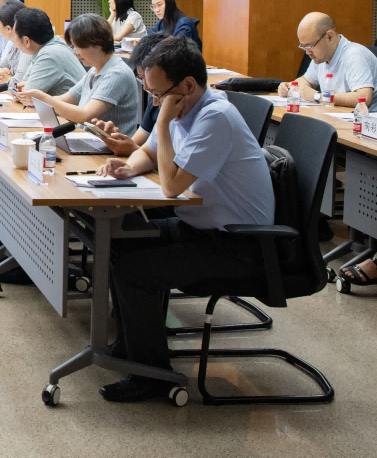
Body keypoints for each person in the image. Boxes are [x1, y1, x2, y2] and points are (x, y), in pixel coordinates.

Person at [97, 36, 274, 402]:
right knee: (120, 242)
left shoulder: (214, 117)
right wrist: (128, 168)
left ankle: (153, 375)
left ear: (188, 86)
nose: (155, 103)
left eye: (158, 95)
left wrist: (162, 122)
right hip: (201, 228)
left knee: (135, 270)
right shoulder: (186, 107)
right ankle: (132, 347)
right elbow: (148, 152)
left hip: (239, 244)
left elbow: (171, 186)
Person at [18, 13, 142, 135]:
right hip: (88, 140)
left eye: (78, 47)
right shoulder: (94, 70)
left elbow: (86, 116)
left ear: (98, 45)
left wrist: (44, 99)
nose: (75, 53)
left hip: (107, 146)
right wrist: (36, 101)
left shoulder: (117, 73)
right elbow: (65, 99)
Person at [276, 12, 377, 114]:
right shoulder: (322, 56)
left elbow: (364, 98)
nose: (307, 52)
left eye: (310, 46)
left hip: (366, 125)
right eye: (304, 47)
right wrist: (291, 88)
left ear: (329, 37)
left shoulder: (354, 55)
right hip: (338, 118)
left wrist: (317, 96)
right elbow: (306, 81)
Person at [94, 32, 172, 156]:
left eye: (146, 78)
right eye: (142, 79)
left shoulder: (183, 106)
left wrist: (134, 149)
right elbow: (137, 143)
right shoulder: (155, 98)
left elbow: (173, 163)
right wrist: (115, 141)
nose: (145, 87)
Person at [9, 7, 86, 97]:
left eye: (15, 35)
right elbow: (23, 85)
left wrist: (22, 91)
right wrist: (23, 90)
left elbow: (27, 96)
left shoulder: (49, 54)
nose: (14, 39)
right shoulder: (45, 47)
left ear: (26, 41)